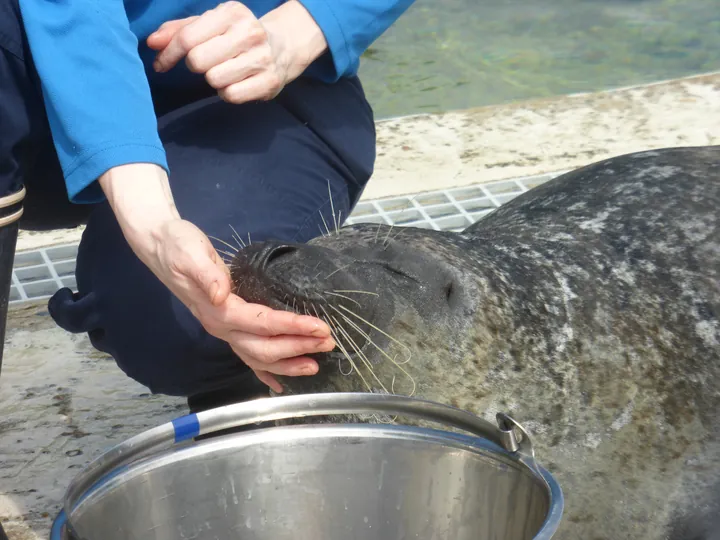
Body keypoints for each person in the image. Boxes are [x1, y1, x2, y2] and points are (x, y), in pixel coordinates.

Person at [0, 0, 415, 413]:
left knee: (168, 316)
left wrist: (307, 26)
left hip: (257, 80)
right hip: (43, 76)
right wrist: (154, 224)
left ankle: (241, 383)